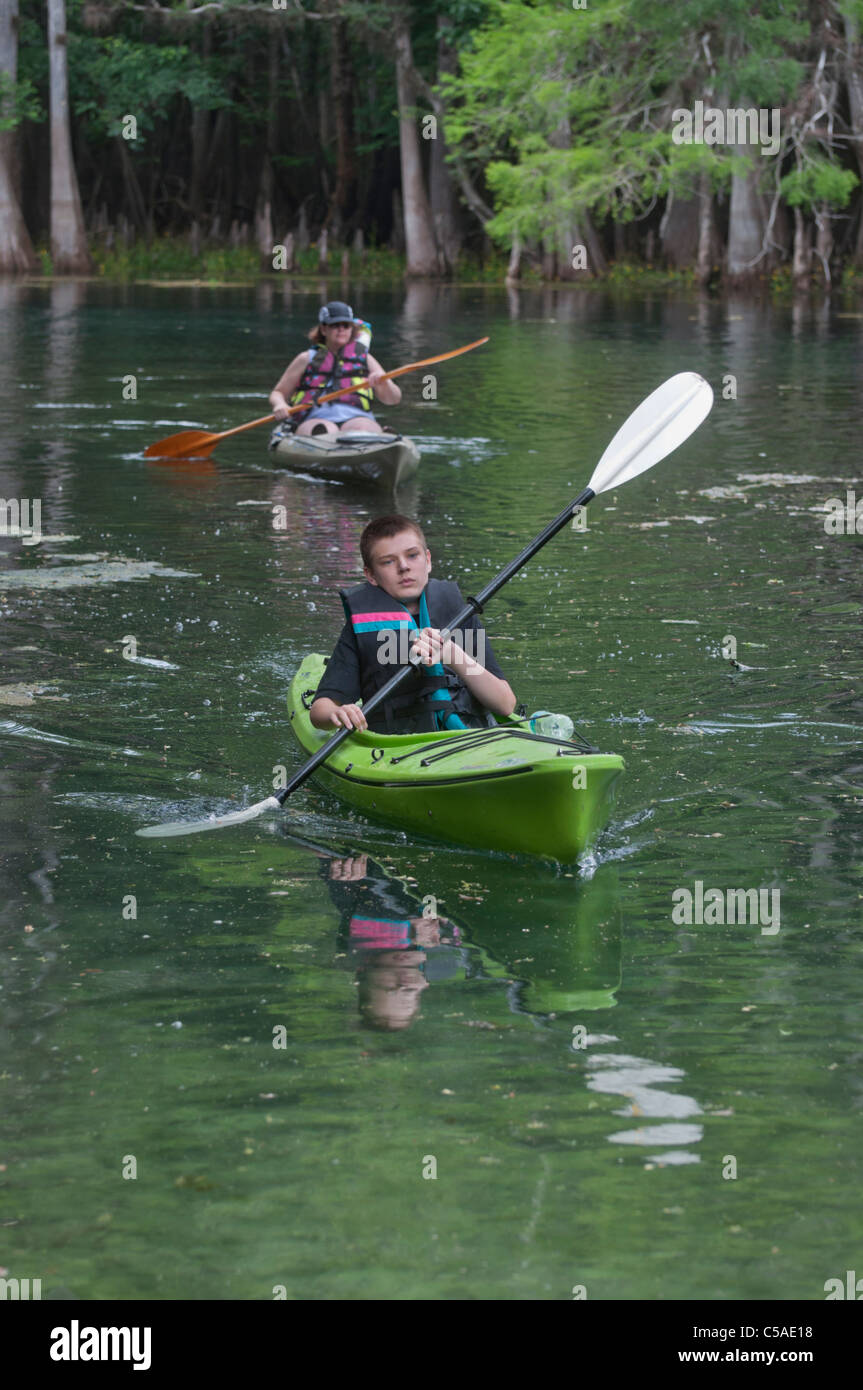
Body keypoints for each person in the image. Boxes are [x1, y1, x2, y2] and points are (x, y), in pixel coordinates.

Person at [310, 513, 518, 735]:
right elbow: (319, 711)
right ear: (371, 575)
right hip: (399, 748)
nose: (403, 567)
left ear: (428, 560)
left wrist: (451, 654)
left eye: (412, 555)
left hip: (468, 737)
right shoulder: (362, 627)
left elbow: (505, 704)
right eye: (388, 561)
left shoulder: (460, 614)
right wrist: (339, 713)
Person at [269, 301, 401, 437]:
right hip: (315, 418)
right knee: (325, 429)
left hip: (358, 417)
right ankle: (322, 442)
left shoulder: (366, 358)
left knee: (362, 427)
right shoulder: (305, 358)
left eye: (346, 325)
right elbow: (278, 393)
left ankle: (375, 440)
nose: (341, 329)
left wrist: (385, 382)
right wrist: (279, 405)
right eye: (335, 325)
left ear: (352, 329)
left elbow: (393, 399)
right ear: (324, 329)